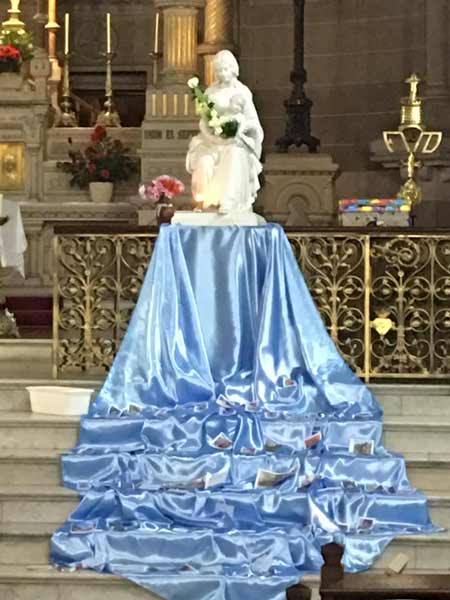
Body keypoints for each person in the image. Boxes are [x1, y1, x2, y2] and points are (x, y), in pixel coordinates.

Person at [186, 50, 264, 214]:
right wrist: (212, 134)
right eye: (219, 70)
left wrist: (239, 128)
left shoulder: (242, 92)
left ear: (233, 69)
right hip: (211, 141)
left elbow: (253, 122)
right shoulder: (210, 92)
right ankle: (206, 203)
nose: (222, 73)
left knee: (234, 154)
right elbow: (204, 121)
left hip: (235, 140)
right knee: (204, 161)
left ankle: (229, 201)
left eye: (225, 69)